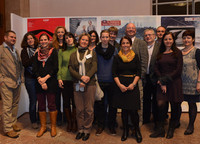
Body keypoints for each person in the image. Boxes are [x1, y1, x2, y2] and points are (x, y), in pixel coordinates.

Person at [150, 32, 183, 139]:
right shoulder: (160, 52)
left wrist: (164, 81)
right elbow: (156, 68)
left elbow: (178, 70)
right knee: (160, 105)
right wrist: (161, 81)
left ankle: (171, 129)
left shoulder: (177, 52)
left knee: (174, 106)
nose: (168, 41)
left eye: (169, 39)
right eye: (165, 39)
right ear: (163, 41)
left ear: (173, 40)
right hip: (161, 83)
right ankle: (160, 130)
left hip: (174, 82)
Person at [112, 36, 142, 143]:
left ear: (130, 44)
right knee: (124, 111)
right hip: (121, 87)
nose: (125, 45)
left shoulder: (135, 56)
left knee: (134, 111)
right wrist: (120, 85)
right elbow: (114, 73)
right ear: (121, 45)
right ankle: (125, 131)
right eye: (123, 43)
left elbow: (139, 72)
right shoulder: (117, 57)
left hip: (133, 85)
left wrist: (133, 84)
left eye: (127, 43)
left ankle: (137, 130)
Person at [69, 33, 97, 141]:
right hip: (77, 84)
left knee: (88, 109)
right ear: (79, 40)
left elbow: (94, 67)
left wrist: (86, 79)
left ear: (88, 42)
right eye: (82, 40)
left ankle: (87, 130)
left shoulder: (91, 53)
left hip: (90, 84)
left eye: (86, 40)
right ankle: (80, 129)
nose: (84, 41)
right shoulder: (73, 54)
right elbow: (71, 69)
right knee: (79, 109)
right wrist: (81, 78)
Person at [33, 33, 58, 137]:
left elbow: (55, 68)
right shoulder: (36, 53)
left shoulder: (53, 52)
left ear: (49, 40)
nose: (43, 41)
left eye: (45, 39)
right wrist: (40, 80)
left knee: (51, 105)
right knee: (41, 105)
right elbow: (34, 69)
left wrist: (45, 79)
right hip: (39, 83)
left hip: (51, 82)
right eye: (41, 40)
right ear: (40, 42)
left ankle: (53, 127)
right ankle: (43, 126)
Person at [0, 30, 23, 138]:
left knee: (14, 105)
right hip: (6, 83)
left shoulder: (15, 50)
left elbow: (19, 65)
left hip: (17, 82)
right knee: (7, 106)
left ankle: (13, 122)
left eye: (14, 37)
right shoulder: (1, 50)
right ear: (5, 38)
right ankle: (7, 128)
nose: (13, 39)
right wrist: (1, 80)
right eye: (11, 37)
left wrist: (21, 79)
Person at [95, 30, 118, 136]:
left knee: (113, 106)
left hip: (112, 82)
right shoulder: (95, 50)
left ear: (110, 38)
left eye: (106, 37)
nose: (105, 39)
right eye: (103, 37)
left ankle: (111, 126)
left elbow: (117, 65)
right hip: (100, 82)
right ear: (100, 38)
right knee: (101, 106)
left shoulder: (115, 50)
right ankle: (100, 125)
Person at [125, 23, 148, 126]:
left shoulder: (141, 43)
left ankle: (138, 123)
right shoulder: (123, 43)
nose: (131, 30)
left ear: (135, 30)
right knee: (127, 102)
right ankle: (128, 122)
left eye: (132, 28)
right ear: (126, 30)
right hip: (125, 79)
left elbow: (144, 61)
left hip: (137, 78)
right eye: (129, 28)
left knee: (139, 101)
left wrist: (140, 77)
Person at [57, 32, 77, 133]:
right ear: (64, 40)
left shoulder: (77, 50)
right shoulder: (62, 51)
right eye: (66, 38)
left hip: (75, 80)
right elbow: (59, 66)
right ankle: (69, 122)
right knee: (65, 102)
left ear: (73, 38)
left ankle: (74, 122)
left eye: (70, 37)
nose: (68, 39)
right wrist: (59, 78)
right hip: (64, 79)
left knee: (75, 102)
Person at [181, 30, 200, 135]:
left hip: (193, 83)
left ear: (193, 39)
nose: (186, 40)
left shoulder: (197, 52)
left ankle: (191, 125)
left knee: (191, 104)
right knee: (177, 103)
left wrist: (199, 82)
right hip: (181, 83)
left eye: (188, 37)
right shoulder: (179, 52)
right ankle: (176, 122)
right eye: (184, 38)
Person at [21, 32, 39, 129]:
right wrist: (34, 55)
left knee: (40, 99)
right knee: (33, 100)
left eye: (31, 38)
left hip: (39, 78)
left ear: (34, 39)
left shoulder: (40, 48)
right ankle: (33, 120)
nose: (30, 40)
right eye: (28, 39)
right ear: (26, 41)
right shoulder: (24, 51)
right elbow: (26, 64)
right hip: (30, 79)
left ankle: (41, 119)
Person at [143, 29, 159, 127]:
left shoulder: (160, 47)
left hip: (156, 77)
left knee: (156, 100)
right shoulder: (142, 46)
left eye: (150, 35)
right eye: (146, 35)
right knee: (146, 99)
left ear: (154, 36)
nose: (148, 37)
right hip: (145, 77)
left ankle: (156, 119)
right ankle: (146, 118)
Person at [52, 26, 67, 126]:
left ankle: (66, 118)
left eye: (62, 32)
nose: (60, 34)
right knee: (56, 99)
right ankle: (58, 118)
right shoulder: (52, 46)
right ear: (56, 34)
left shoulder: (68, 44)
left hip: (66, 76)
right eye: (59, 32)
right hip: (54, 76)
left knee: (66, 99)